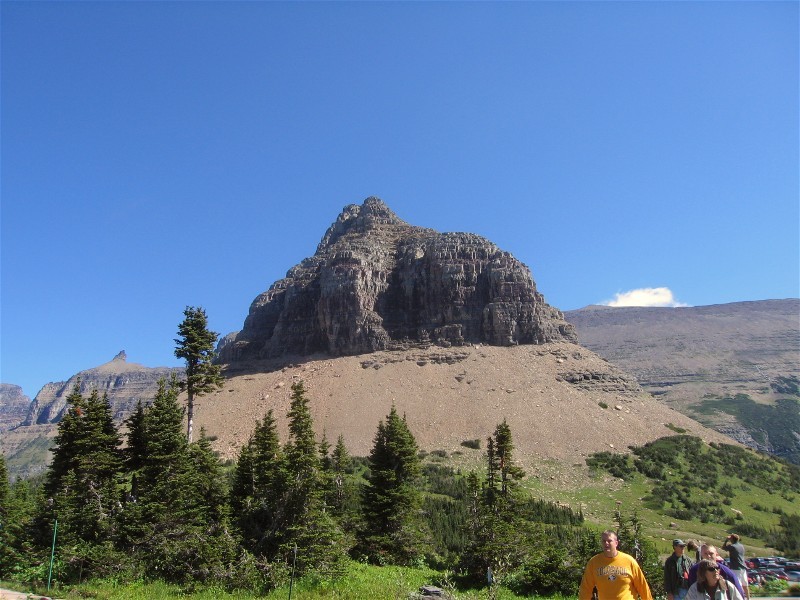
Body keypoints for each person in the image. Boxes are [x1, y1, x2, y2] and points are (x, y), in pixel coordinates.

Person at [579, 530, 653, 600]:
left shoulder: (629, 561)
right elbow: (586, 588)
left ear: (616, 543)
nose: (606, 543)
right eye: (604, 541)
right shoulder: (594, 562)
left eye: (609, 541)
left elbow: (642, 586)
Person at [722, 534, 749, 600]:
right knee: (745, 585)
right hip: (743, 567)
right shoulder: (741, 546)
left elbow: (723, 548)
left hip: (736, 568)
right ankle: (748, 598)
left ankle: (741, 598)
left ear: (732, 539)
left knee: (737, 584)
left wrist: (726, 540)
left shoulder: (732, 546)